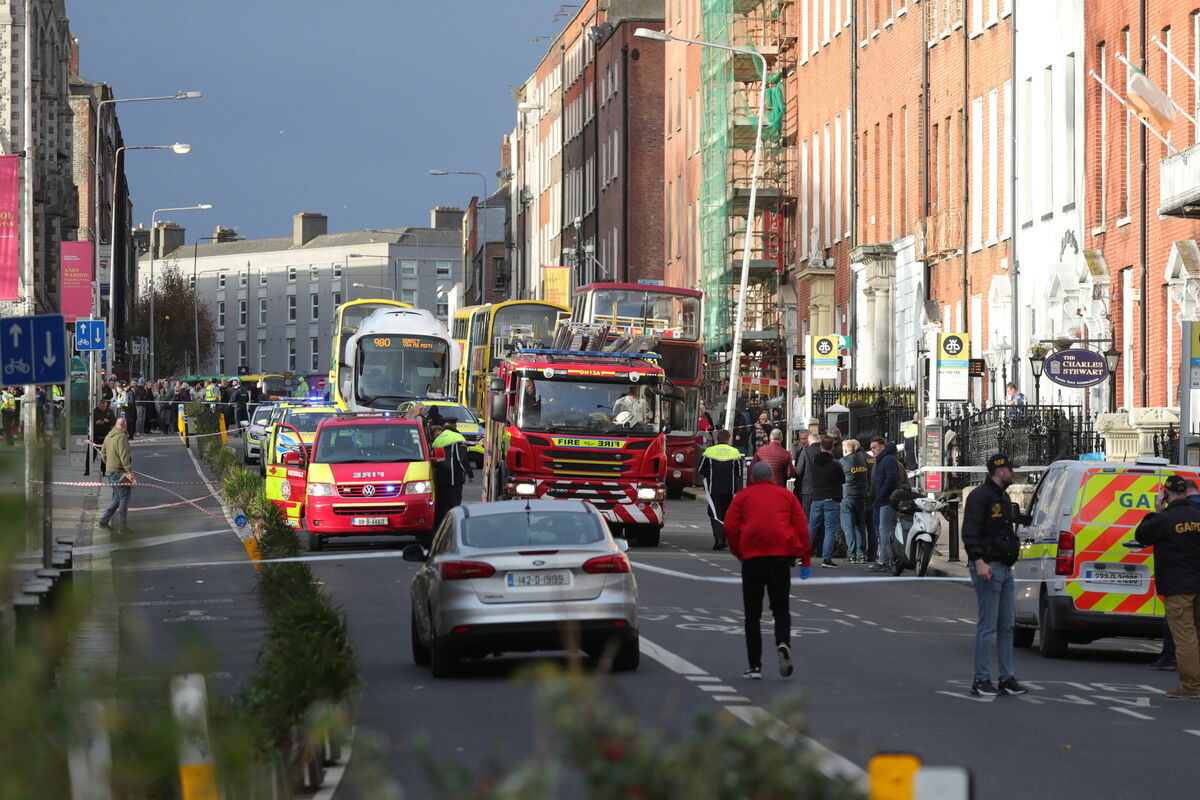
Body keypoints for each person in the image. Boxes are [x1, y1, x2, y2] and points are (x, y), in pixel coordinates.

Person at [724, 460, 812, 680]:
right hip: (781, 559)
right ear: (772, 477)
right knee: (781, 609)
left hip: (753, 559)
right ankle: (783, 643)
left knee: (752, 615)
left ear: (752, 477)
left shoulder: (743, 497)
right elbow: (801, 527)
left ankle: (754, 666)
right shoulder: (786, 496)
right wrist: (806, 560)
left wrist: (738, 551)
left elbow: (730, 526)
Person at [961, 454, 1028, 697]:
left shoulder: (1003, 495)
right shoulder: (980, 496)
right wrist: (979, 561)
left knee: (1007, 626)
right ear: (999, 470)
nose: (1013, 473)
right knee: (987, 626)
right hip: (988, 566)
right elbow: (970, 531)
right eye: (1011, 469)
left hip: (1004, 567)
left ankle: (1006, 678)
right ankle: (980, 679)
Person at [1133, 474, 1200, 699]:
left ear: (1166, 493)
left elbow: (1141, 535)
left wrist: (1158, 510)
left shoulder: (1164, 519)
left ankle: (1191, 686)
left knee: (1185, 637)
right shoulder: (1198, 516)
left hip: (1178, 586)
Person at [698, 429, 744, 551]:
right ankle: (723, 539)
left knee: (714, 513)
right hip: (729, 490)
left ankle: (718, 538)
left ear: (717, 438)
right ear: (728, 439)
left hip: (713, 489)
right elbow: (739, 471)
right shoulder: (735, 452)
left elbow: (701, 469)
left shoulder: (709, 451)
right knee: (726, 514)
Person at [807, 435, 846, 568]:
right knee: (829, 530)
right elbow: (843, 479)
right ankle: (826, 559)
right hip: (832, 499)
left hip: (817, 498)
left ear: (820, 447)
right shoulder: (835, 464)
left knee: (812, 528)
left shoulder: (813, 462)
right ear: (832, 447)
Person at [431, 420, 474, 528]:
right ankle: (452, 527)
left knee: (441, 505)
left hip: (440, 479)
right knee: (453, 505)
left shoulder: (438, 439)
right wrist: (470, 473)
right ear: (455, 426)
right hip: (454, 479)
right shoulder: (458, 437)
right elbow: (461, 458)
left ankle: (438, 528)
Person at [867, 437, 901, 572]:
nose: (873, 450)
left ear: (882, 446)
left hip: (886, 501)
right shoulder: (882, 460)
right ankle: (887, 559)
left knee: (884, 530)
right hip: (880, 500)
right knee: (884, 530)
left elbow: (891, 479)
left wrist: (881, 494)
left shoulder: (888, 459)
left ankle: (883, 561)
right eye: (871, 448)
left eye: (875, 447)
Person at [97, 417, 133, 533]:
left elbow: (103, 453)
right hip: (120, 472)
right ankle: (122, 527)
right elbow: (124, 456)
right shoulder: (121, 437)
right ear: (124, 427)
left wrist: (109, 463)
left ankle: (103, 521)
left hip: (111, 472)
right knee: (124, 498)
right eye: (126, 427)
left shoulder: (109, 436)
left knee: (118, 497)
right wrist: (129, 471)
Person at [839, 439, 870, 563]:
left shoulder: (842, 462)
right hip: (861, 496)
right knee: (859, 525)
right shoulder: (862, 461)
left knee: (848, 526)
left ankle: (851, 554)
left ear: (846, 449)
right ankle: (861, 554)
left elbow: (838, 478)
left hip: (847, 496)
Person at [792, 427, 822, 518]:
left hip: (809, 489)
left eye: (805, 438)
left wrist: (795, 470)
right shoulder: (799, 452)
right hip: (800, 487)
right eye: (801, 438)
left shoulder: (807, 452)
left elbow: (798, 470)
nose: (803, 441)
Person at [92, 399, 117, 475]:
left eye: (104, 406)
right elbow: (89, 421)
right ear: (98, 405)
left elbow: (114, 421)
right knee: (92, 454)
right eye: (101, 406)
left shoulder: (110, 412)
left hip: (106, 436)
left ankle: (103, 471)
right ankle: (88, 470)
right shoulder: (94, 411)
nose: (103, 408)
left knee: (105, 455)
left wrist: (108, 421)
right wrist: (96, 422)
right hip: (95, 436)